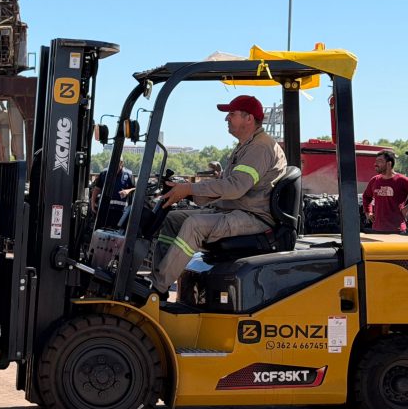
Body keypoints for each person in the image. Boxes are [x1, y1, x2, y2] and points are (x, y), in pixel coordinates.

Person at [146, 95, 287, 299]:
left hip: (253, 217)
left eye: (232, 114)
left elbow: (235, 187)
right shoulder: (246, 146)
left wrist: (190, 189)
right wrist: (188, 193)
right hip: (236, 210)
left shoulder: (260, 148)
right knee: (172, 220)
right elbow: (229, 186)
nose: (226, 119)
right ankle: (159, 279)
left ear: (249, 118)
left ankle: (156, 290)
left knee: (195, 225)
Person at [362, 150, 408, 233]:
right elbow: (366, 196)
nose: (375, 164)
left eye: (380, 161)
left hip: (397, 230)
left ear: (389, 164)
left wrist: (407, 208)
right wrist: (368, 211)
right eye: (376, 161)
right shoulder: (374, 180)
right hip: (377, 229)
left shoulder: (402, 180)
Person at [90, 160, 135, 229]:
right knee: (100, 231)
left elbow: (135, 189)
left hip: (120, 212)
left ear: (122, 164)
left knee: (116, 233)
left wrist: (127, 191)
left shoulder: (129, 174)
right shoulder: (104, 173)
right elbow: (97, 189)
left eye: (117, 165)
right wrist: (92, 203)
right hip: (104, 210)